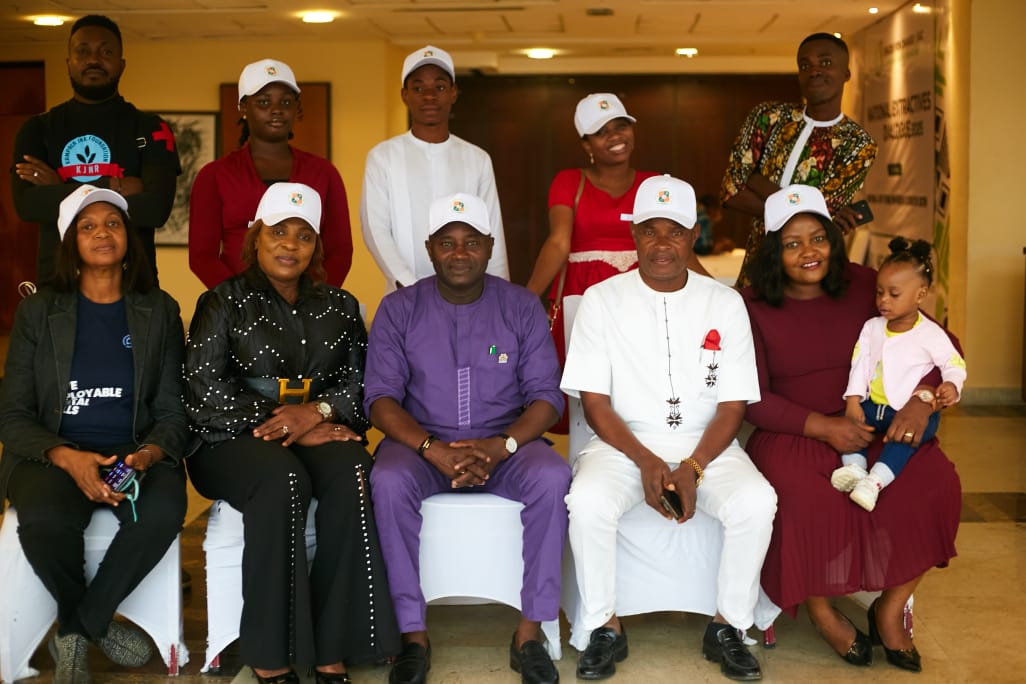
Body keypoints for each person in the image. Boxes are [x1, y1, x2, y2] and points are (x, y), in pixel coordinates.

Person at [561, 174, 777, 682]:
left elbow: (732, 405)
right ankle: (603, 626)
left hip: (709, 447)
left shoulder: (725, 303)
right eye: (649, 230)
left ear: (693, 234)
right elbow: (595, 403)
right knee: (587, 502)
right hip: (620, 445)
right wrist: (646, 460)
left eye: (675, 231)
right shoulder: (600, 299)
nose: (662, 244)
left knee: (756, 502)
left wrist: (694, 467)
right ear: (633, 234)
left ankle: (728, 624)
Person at [184, 183, 399, 684]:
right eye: (278, 232)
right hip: (229, 436)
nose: (290, 245)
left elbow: (362, 385)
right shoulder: (222, 301)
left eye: (304, 236)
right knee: (282, 479)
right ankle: (269, 650)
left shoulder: (340, 306)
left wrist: (317, 413)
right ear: (256, 237)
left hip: (316, 425)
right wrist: (292, 424)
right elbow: (203, 390)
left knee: (355, 470)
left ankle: (333, 644)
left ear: (315, 247)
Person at [742, 184, 961, 673]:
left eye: (818, 238)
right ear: (773, 250)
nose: (809, 251)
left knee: (934, 483)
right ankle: (822, 612)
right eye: (792, 243)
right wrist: (825, 427)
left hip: (877, 422)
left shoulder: (869, 285)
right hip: (795, 431)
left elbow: (940, 345)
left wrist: (923, 399)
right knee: (808, 501)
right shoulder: (751, 304)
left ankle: (890, 607)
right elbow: (753, 398)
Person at [365, 193, 570, 684]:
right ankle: (412, 635)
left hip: (507, 447)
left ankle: (529, 634)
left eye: (472, 242)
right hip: (420, 448)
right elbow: (380, 398)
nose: (460, 253)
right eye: (447, 243)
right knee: (387, 481)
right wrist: (430, 449)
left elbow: (547, 397)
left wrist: (503, 446)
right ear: (430, 249)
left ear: (490, 247)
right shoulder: (400, 308)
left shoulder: (520, 306)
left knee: (553, 477)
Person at [0, 185, 188, 684]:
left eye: (113, 223)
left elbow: (172, 409)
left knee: (162, 512)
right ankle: (91, 624)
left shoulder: (160, 310)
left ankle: (79, 628)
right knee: (44, 519)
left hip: (133, 450)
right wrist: (66, 456)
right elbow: (12, 414)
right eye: (88, 226)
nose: (102, 233)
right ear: (70, 242)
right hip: (52, 452)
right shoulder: (39, 311)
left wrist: (148, 455)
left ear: (129, 236)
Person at [524, 93, 659, 441]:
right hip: (581, 299)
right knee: (588, 393)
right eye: (601, 132)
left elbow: (676, 248)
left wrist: (727, 295)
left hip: (641, 297)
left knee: (640, 388)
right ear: (586, 144)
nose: (615, 137)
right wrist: (524, 299)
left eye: (621, 126)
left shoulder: (654, 184)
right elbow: (559, 242)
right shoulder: (570, 181)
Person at [11, 14, 180, 285]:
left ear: (121, 65)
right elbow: (28, 205)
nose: (93, 60)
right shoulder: (37, 129)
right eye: (83, 51)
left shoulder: (151, 129)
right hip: (58, 288)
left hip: (134, 288)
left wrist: (60, 190)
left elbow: (155, 209)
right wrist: (112, 186)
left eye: (106, 52)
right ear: (69, 63)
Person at [721, 32, 877, 285]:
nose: (814, 71)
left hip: (812, 274)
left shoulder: (858, 144)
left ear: (846, 73)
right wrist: (804, 210)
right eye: (805, 65)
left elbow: (819, 217)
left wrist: (755, 180)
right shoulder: (767, 117)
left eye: (825, 62)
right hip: (758, 268)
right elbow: (731, 192)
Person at [188, 59, 354, 288]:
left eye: (285, 102)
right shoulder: (214, 175)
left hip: (308, 301)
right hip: (236, 302)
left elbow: (340, 251)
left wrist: (314, 297)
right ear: (243, 107)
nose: (276, 110)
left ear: (297, 108)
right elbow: (202, 257)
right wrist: (237, 298)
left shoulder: (324, 173)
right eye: (264, 102)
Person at [360, 45, 509, 292]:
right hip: (405, 294)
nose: (429, 96)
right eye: (418, 88)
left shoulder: (477, 158)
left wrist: (499, 293)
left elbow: (492, 231)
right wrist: (409, 286)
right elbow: (375, 230)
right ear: (404, 95)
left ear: (453, 93)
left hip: (469, 295)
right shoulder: (383, 157)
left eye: (439, 87)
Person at [832, 237, 966, 511]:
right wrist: (854, 400)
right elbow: (860, 363)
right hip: (874, 406)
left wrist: (952, 384)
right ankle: (855, 469)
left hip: (904, 410)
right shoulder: (872, 327)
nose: (883, 300)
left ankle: (874, 482)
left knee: (904, 439)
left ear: (920, 294)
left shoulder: (930, 333)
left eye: (894, 294)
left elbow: (953, 363)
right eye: (879, 292)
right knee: (851, 427)